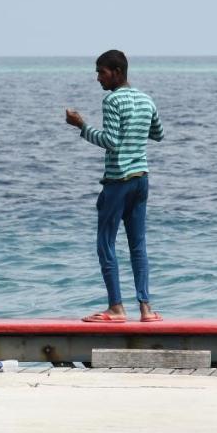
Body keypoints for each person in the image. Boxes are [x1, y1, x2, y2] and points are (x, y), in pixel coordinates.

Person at [65, 50, 164, 322]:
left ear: (117, 72)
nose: (98, 78)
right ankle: (146, 309)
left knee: (105, 243)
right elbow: (158, 134)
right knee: (138, 244)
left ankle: (116, 308)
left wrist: (81, 126)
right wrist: (136, 130)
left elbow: (110, 141)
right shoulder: (145, 99)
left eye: (102, 72)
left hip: (118, 180)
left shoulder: (111, 100)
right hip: (141, 179)